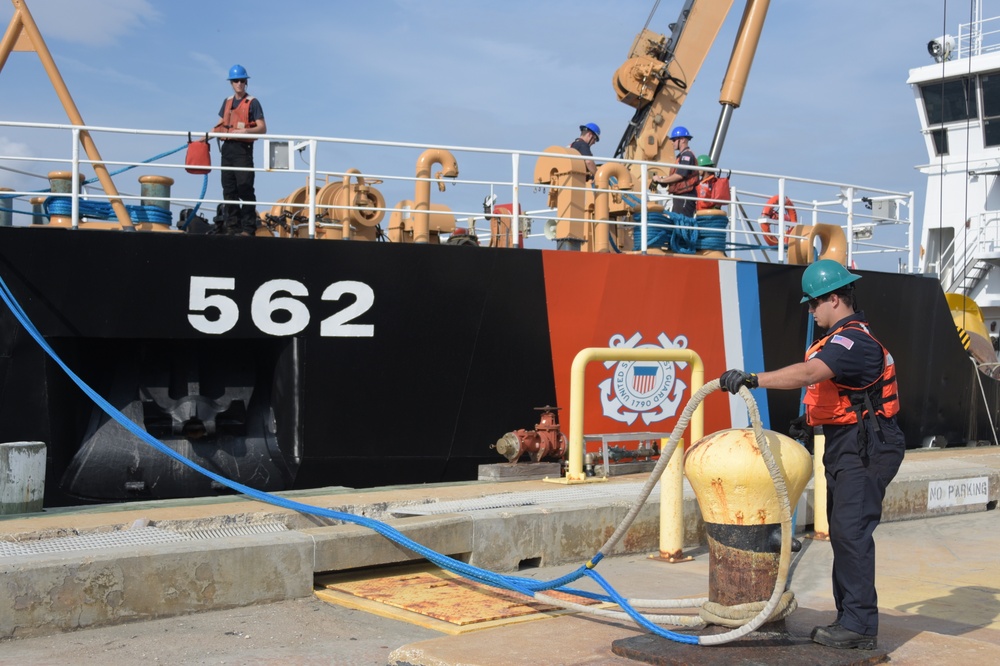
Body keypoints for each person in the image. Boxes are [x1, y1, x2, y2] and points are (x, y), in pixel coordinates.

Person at [718, 260, 905, 651]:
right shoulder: (844, 340)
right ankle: (851, 617)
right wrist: (811, 422)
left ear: (834, 299)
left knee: (851, 534)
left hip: (866, 446)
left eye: (813, 304)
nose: (810, 311)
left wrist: (752, 379)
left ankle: (858, 626)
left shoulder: (853, 342)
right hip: (850, 443)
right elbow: (843, 395)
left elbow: (808, 375)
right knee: (844, 532)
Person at [212, 64, 267, 236]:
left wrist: (246, 131)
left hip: (243, 149)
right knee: (228, 189)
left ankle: (248, 228)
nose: (239, 84)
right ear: (231, 83)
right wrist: (200, 139)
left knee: (245, 187)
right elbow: (219, 125)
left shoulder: (253, 102)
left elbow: (262, 128)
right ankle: (232, 227)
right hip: (227, 149)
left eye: (242, 80)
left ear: (246, 82)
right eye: (236, 81)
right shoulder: (227, 102)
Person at [652, 126, 698, 217]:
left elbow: (679, 175)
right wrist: (662, 180)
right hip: (680, 195)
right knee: (677, 221)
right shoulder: (681, 156)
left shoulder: (687, 156)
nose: (672, 143)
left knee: (682, 222)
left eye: (674, 140)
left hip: (686, 196)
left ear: (682, 140)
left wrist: (661, 180)